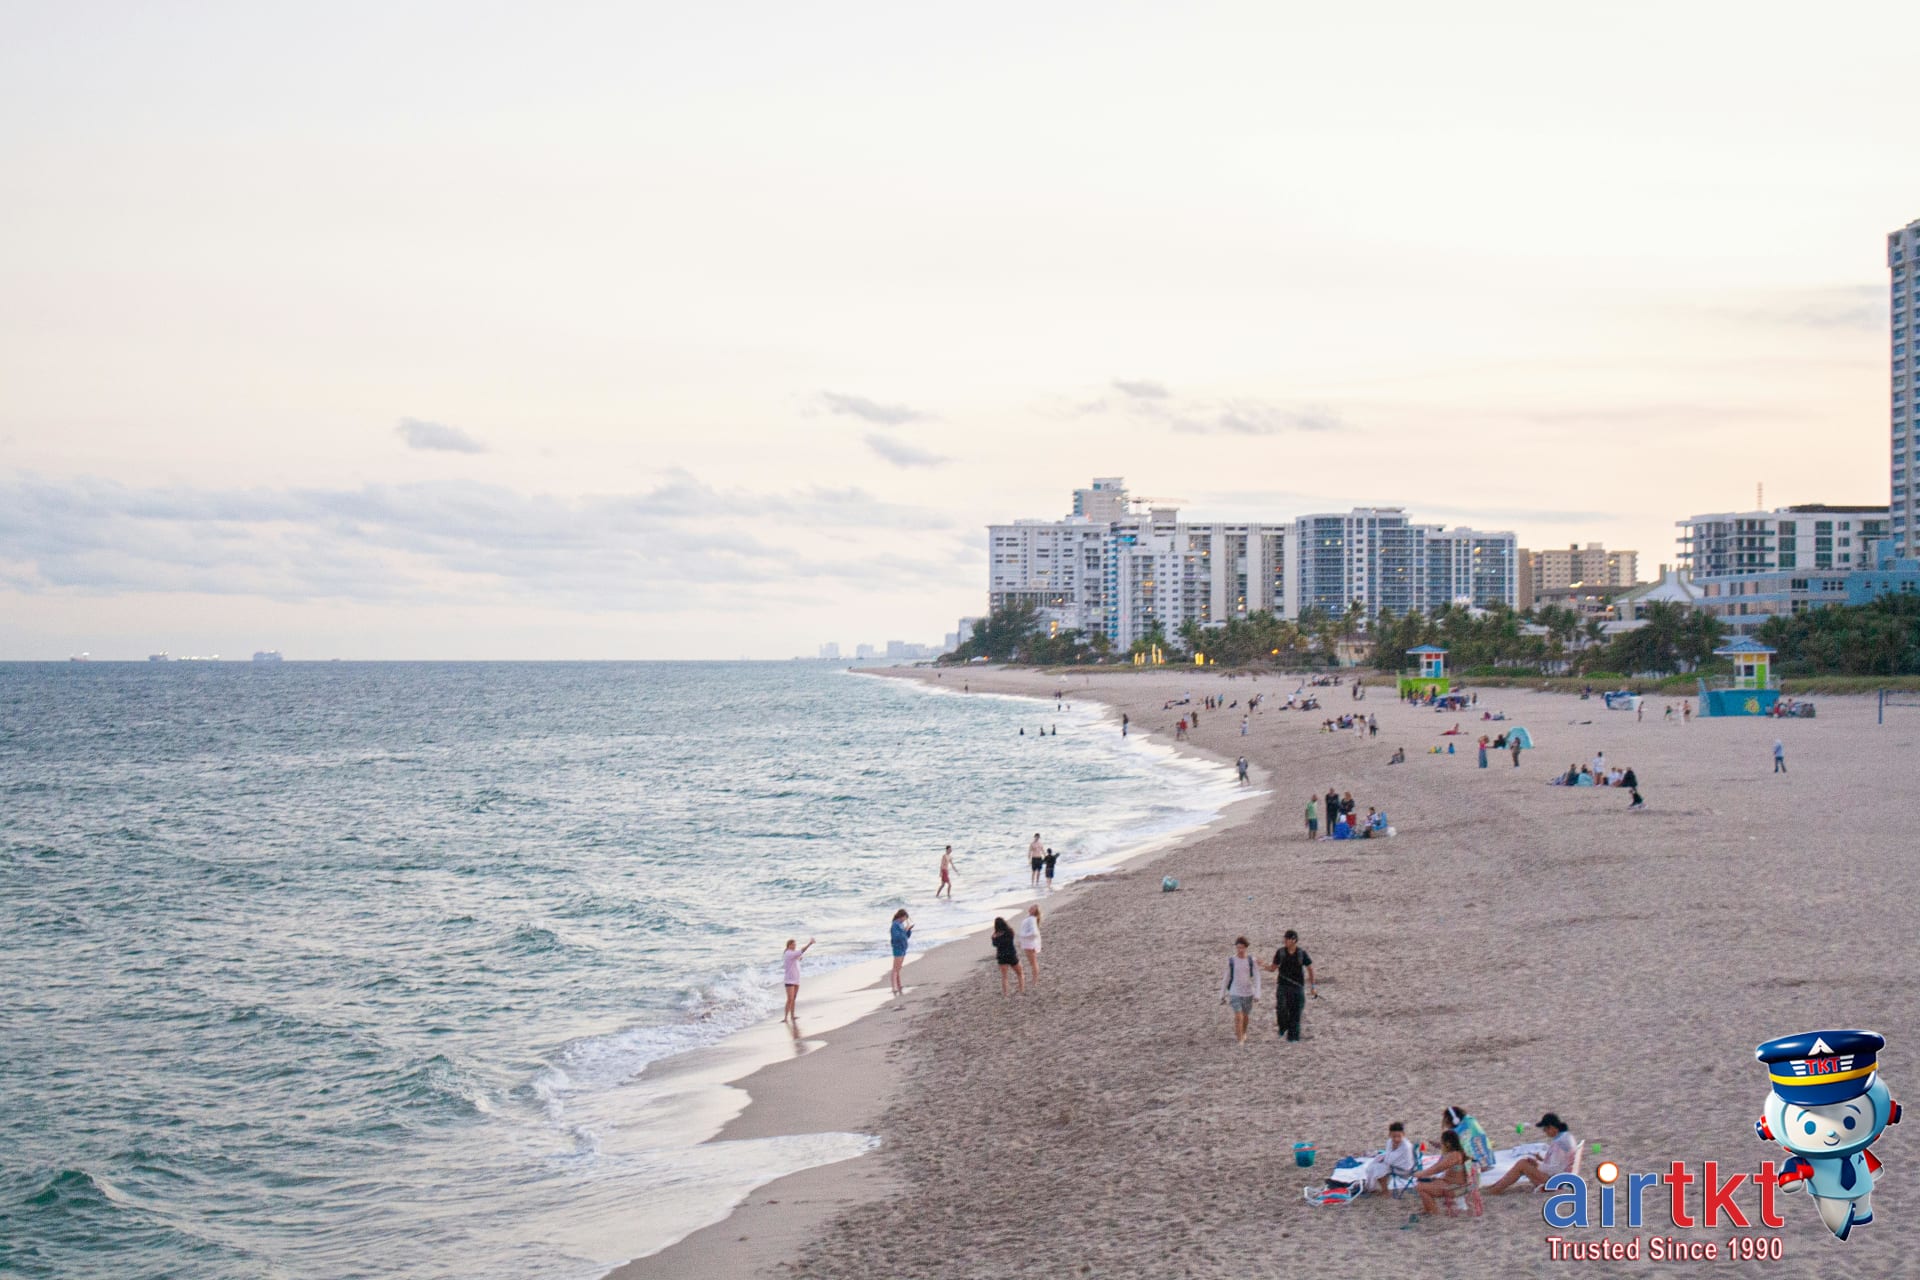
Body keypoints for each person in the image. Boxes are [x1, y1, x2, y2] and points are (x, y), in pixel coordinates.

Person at [1485, 1113, 1578, 1194]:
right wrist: (1540, 1160)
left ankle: (1495, 1189)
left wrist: (1537, 1164)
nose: (1545, 1132)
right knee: (1524, 1163)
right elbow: (1559, 1162)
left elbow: (1553, 1169)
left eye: (1545, 1129)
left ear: (1552, 1128)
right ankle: (1495, 1187)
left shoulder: (1559, 1143)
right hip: (1564, 1178)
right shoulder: (1566, 1136)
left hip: (1557, 1182)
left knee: (1522, 1164)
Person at [1263, 929, 1315, 1041]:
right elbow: (1273, 968)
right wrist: (1263, 965)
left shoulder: (1301, 953)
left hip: (1298, 987)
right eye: (1285, 939)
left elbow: (1310, 969)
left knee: (1296, 1013)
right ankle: (1282, 1028)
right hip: (1283, 986)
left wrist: (1313, 987)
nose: (1285, 941)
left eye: (1287, 939)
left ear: (1294, 940)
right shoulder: (1280, 952)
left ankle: (1293, 1039)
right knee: (1281, 1008)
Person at [1414, 1129, 1470, 1216]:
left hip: (1455, 1187)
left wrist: (1421, 1173)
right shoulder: (1457, 1153)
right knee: (1422, 1183)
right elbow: (1438, 1167)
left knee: (1420, 1187)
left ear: (1447, 1144)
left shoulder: (1454, 1155)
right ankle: (1428, 1209)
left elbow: (1438, 1168)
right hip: (1451, 1183)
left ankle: (1433, 1211)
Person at [1219, 936, 1261, 1044]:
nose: (1240, 950)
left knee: (1245, 1016)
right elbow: (1226, 978)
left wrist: (1257, 993)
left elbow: (1257, 977)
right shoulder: (1232, 961)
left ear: (1246, 948)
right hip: (1234, 992)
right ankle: (1240, 1039)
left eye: (1242, 948)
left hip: (1248, 992)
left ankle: (1244, 1033)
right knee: (1238, 1015)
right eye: (1238, 948)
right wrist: (1222, 995)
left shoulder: (1251, 960)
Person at [1367, 1122, 1420, 1194]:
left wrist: (1392, 1150)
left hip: (1405, 1169)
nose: (1396, 1139)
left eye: (1399, 1136)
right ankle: (1372, 1188)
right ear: (1390, 1135)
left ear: (1403, 1135)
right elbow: (1389, 1157)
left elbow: (1389, 1160)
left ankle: (1385, 1191)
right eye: (1394, 1136)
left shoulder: (1405, 1146)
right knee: (1373, 1166)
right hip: (1394, 1164)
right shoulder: (1389, 1142)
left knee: (1379, 1168)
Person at [782, 937, 815, 1022]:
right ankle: (785, 1017)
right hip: (789, 980)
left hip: (796, 979)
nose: (794, 946)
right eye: (793, 944)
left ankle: (792, 1016)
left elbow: (798, 957)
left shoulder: (792, 954)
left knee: (794, 998)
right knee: (790, 999)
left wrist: (799, 958)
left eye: (795, 944)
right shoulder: (788, 953)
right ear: (788, 945)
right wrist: (810, 943)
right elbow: (802, 951)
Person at [991, 916, 1024, 995]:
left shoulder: (995, 935)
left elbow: (995, 945)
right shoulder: (1010, 931)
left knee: (1004, 976)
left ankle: (1005, 993)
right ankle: (1021, 989)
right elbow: (1010, 940)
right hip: (1011, 954)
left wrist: (994, 938)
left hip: (1001, 956)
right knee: (1019, 973)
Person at [889, 909, 913, 994]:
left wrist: (909, 930)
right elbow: (896, 937)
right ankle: (894, 987)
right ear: (901, 916)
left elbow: (906, 936)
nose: (905, 920)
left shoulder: (900, 925)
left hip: (903, 947)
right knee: (895, 968)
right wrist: (905, 931)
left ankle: (898, 985)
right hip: (898, 947)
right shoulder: (895, 925)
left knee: (899, 968)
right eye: (905, 918)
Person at [1018, 904, 1043, 986]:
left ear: (1035, 911)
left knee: (1033, 963)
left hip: (1030, 944)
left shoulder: (1032, 919)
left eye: (1033, 908)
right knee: (1032, 963)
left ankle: (1035, 981)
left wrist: (1023, 935)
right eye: (1031, 907)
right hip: (1027, 943)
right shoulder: (1029, 918)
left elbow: (1034, 933)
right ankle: (1034, 980)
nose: (1030, 908)